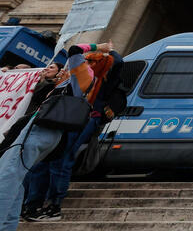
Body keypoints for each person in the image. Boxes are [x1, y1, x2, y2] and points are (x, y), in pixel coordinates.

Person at [0, 40, 113, 230]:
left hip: (39, 131)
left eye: (69, 66)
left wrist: (99, 47)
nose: (65, 68)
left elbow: (75, 49)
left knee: (7, 176)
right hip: (48, 135)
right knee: (16, 179)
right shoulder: (72, 83)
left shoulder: (83, 75)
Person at [25, 43, 123, 221]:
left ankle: (53, 206)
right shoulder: (73, 77)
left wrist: (105, 49)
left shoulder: (96, 77)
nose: (87, 62)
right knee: (42, 162)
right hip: (63, 120)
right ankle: (33, 204)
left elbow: (116, 61)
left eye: (92, 60)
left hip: (79, 120)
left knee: (60, 162)